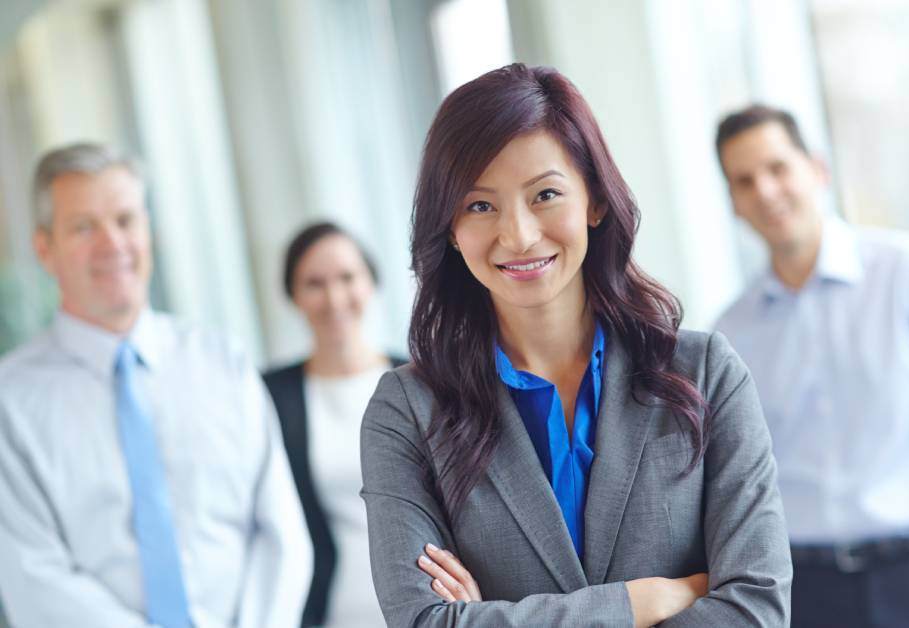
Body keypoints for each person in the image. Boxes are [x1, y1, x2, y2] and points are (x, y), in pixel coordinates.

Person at [360, 63, 792, 626]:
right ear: (450, 227)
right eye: (480, 205)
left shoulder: (704, 373)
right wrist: (638, 603)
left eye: (544, 194)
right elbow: (422, 622)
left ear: (595, 201)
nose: (518, 235)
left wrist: (494, 618)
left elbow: (755, 608)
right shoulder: (407, 411)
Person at [0, 143, 311, 627]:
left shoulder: (222, 361)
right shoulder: (11, 402)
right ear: (45, 248)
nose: (112, 244)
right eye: (84, 227)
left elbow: (281, 535)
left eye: (125, 220)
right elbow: (32, 578)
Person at [712, 105, 909, 628]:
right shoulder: (730, 334)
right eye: (745, 180)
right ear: (734, 202)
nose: (766, 191)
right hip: (806, 591)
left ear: (817, 170)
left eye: (778, 168)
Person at [264, 221, 404, 628]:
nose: (334, 297)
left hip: (427, 609)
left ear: (372, 283)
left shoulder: (424, 383)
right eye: (314, 283)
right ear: (293, 295)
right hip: (327, 613)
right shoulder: (271, 397)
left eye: (347, 277)